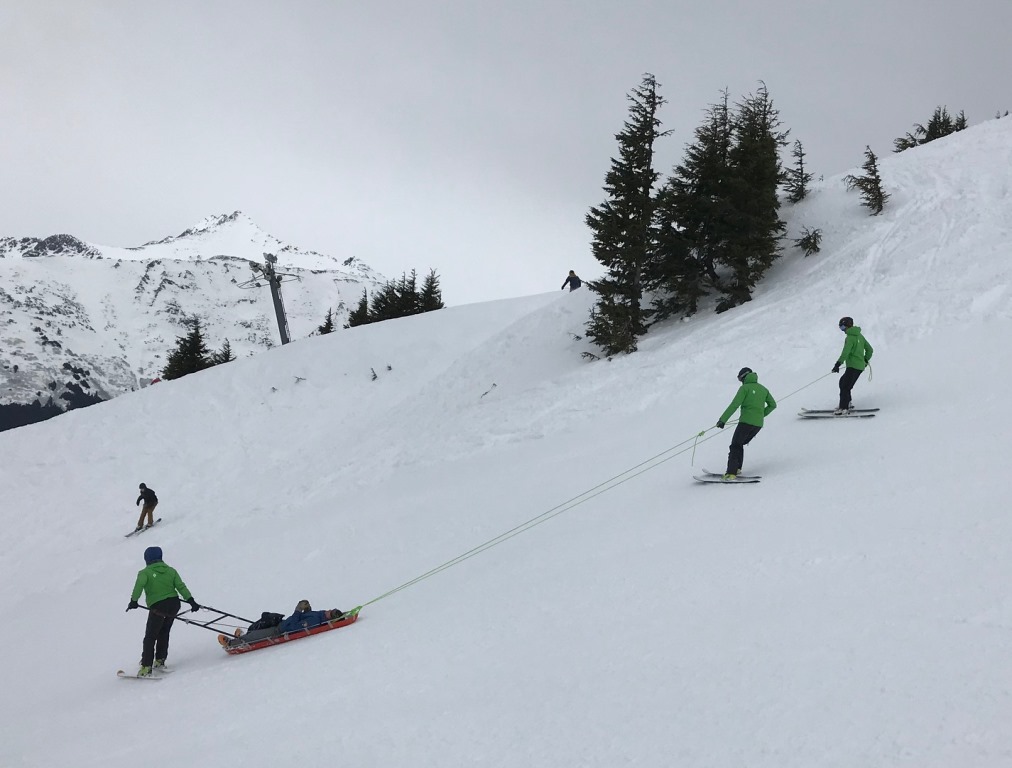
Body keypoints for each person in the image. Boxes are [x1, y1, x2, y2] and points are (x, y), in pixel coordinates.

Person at [126, 546, 200, 677]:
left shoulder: (145, 573)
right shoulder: (171, 571)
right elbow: (180, 586)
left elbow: (139, 586)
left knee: (150, 636)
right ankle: (160, 660)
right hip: (174, 604)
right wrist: (191, 601)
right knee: (164, 632)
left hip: (157, 607)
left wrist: (133, 601)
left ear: (146, 559)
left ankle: (146, 666)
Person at [715, 367, 777, 480]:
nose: (740, 382)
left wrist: (723, 420)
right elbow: (773, 405)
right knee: (739, 444)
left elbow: (734, 405)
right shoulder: (763, 389)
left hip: (745, 423)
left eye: (740, 379)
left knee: (735, 445)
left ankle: (731, 473)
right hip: (758, 425)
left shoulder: (744, 388)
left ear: (744, 377)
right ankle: (737, 468)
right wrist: (760, 415)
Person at [832, 317, 874, 414]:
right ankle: (848, 403)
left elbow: (845, 352)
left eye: (842, 327)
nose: (842, 330)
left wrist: (838, 364)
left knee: (845, 387)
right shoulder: (859, 336)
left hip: (853, 367)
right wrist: (865, 360)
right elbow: (870, 350)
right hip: (858, 367)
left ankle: (843, 408)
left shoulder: (850, 338)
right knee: (842, 382)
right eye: (840, 328)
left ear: (847, 325)